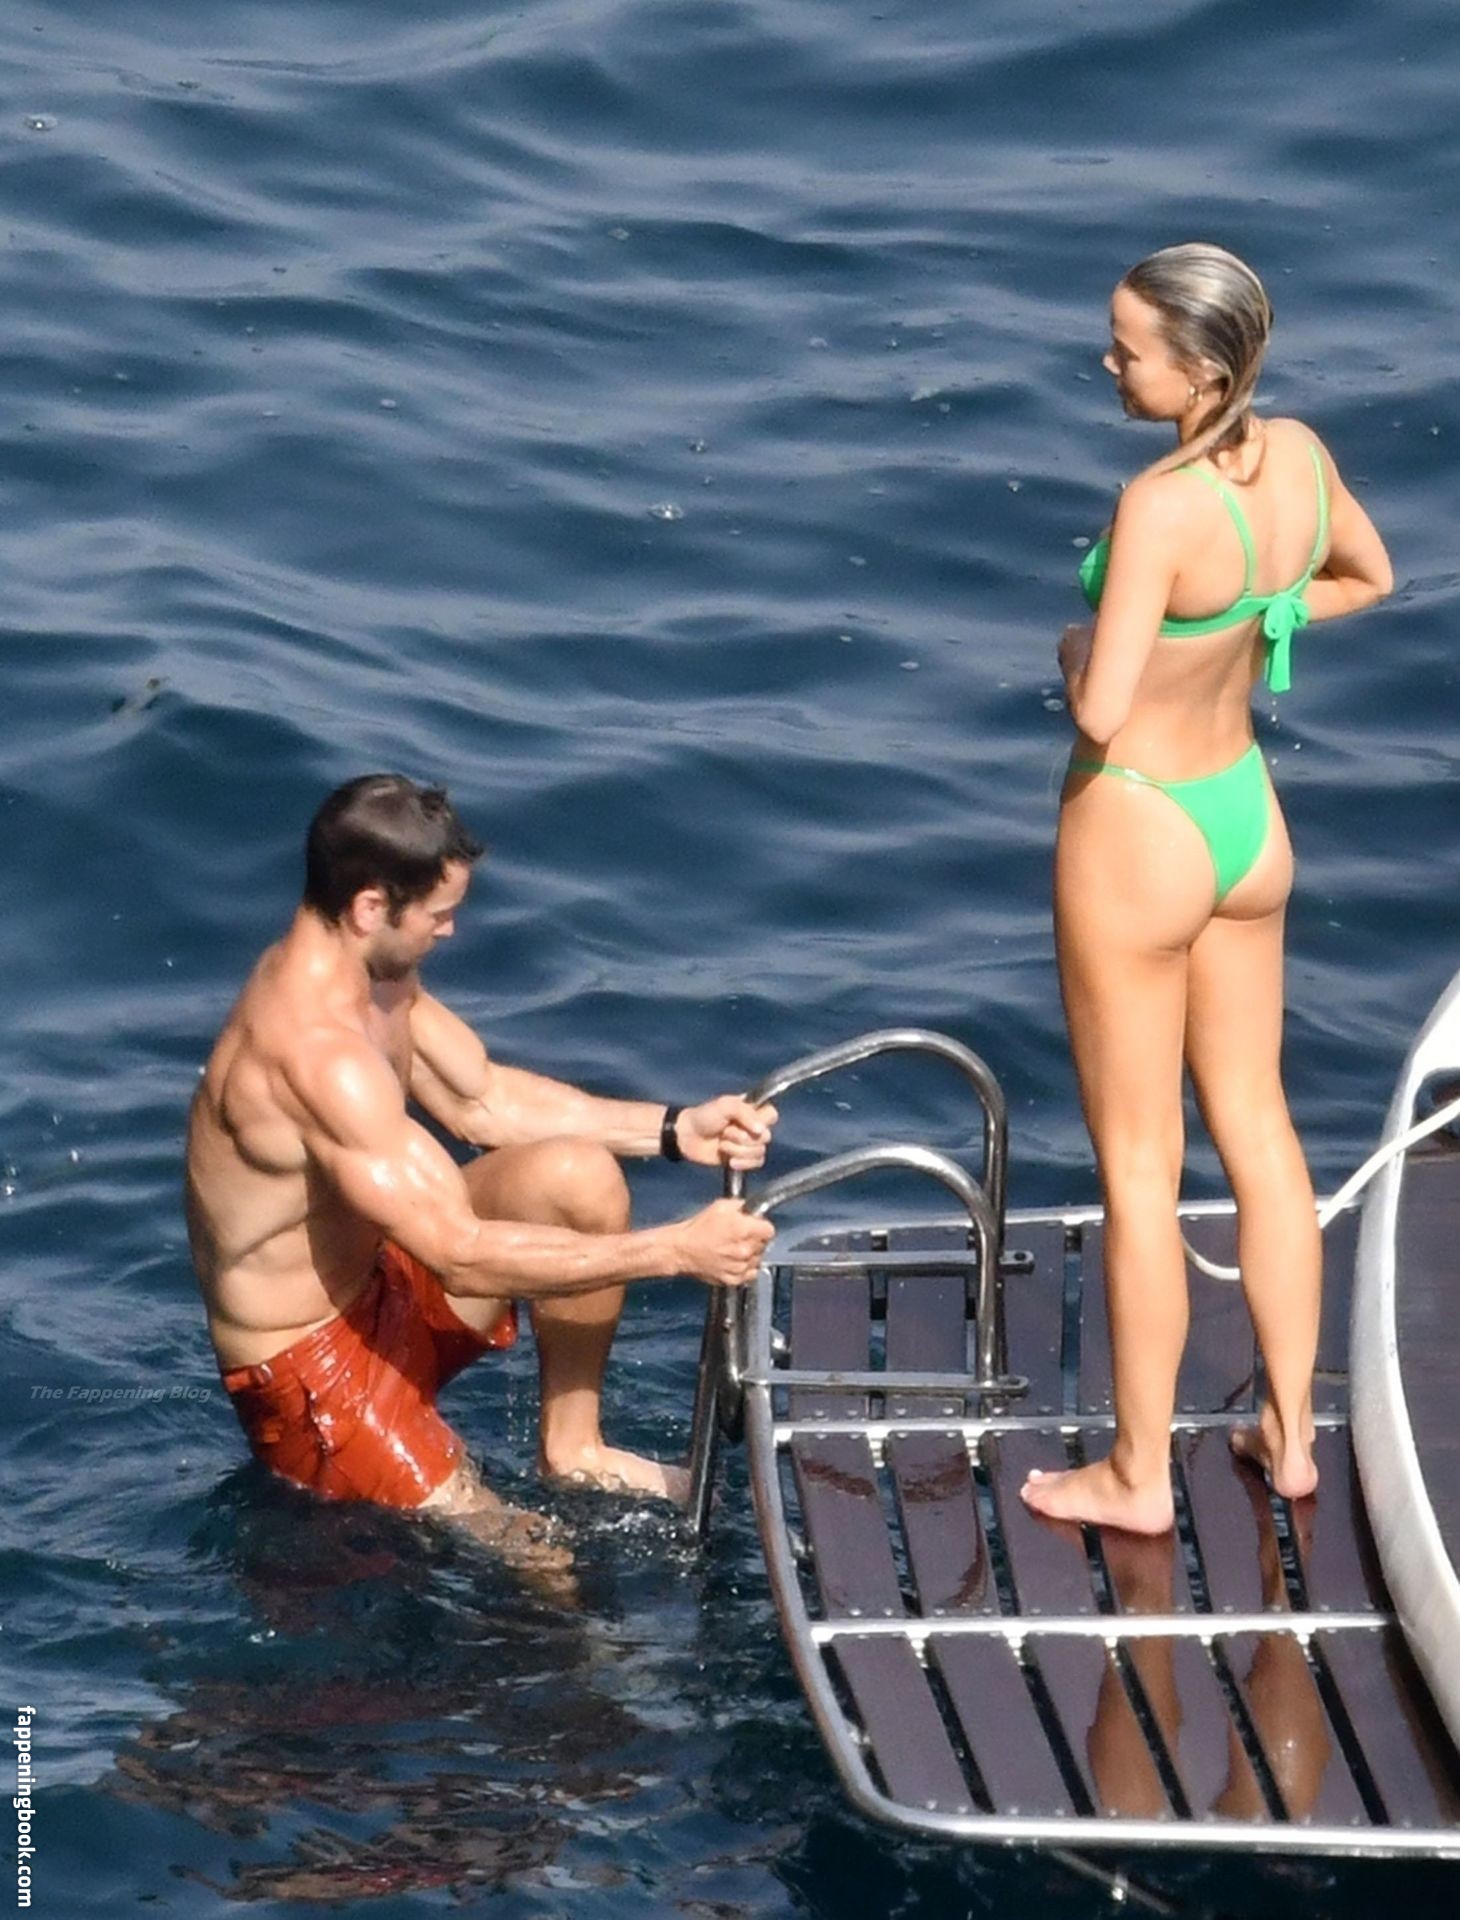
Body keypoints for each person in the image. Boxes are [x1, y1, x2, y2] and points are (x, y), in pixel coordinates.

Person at [1022, 243, 1392, 1534]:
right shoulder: (1298, 457)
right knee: (1261, 1129)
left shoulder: (1159, 504)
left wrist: (1073, 648)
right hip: (1245, 818)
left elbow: (1102, 708)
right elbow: (1365, 578)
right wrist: (1261, 619)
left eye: (1128, 349)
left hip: (1137, 826)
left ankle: (1135, 1478)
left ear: (1200, 371)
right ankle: (1287, 1436)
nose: (1107, 363)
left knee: (1140, 1165)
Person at [186, 774, 778, 1547]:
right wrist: (677, 1251)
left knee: (578, 1178)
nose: (450, 932)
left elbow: (483, 1100)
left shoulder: (375, 976)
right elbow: (460, 1257)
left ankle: (574, 1450)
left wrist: (675, 1130)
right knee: (539, 1555)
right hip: (313, 1376)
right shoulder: (314, 1055)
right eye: (438, 915)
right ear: (370, 908)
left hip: (382, 1282)